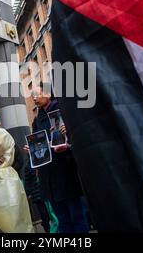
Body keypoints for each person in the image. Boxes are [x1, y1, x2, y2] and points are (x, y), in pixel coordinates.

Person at [27, 83, 89, 233]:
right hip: (48, 175)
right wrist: (33, 148)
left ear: (48, 93)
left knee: (76, 215)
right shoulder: (37, 120)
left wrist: (69, 130)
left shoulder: (63, 109)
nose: (34, 98)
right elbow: (39, 141)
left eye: (37, 94)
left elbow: (82, 133)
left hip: (66, 169)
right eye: (33, 95)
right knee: (62, 219)